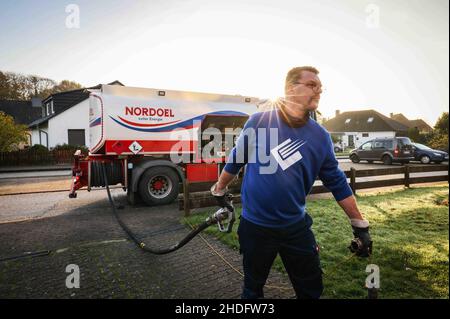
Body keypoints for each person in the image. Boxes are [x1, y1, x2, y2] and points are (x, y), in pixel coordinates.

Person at [211, 66, 372, 299]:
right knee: (252, 289)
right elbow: (237, 160)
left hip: (296, 228)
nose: (318, 91)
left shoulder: (320, 137)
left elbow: (336, 181)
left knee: (311, 291)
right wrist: (219, 187)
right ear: (289, 89)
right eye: (311, 85)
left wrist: (359, 224)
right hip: (255, 227)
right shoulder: (258, 122)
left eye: (320, 88)